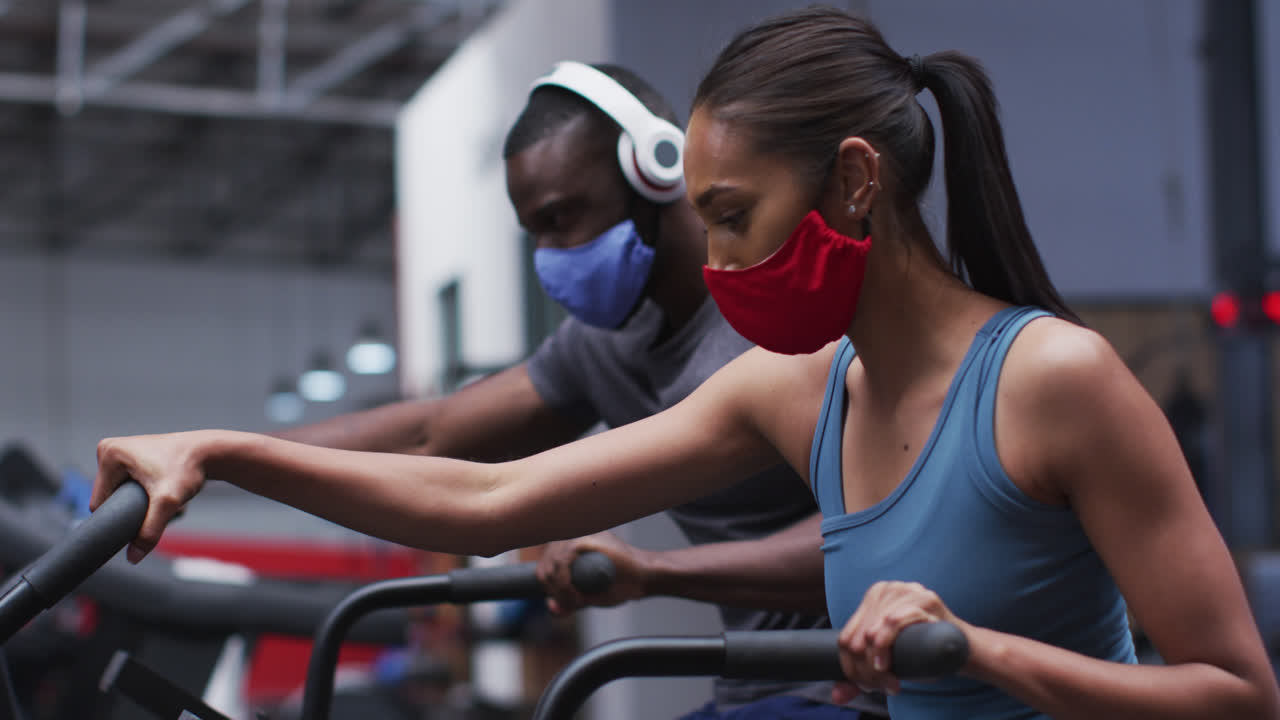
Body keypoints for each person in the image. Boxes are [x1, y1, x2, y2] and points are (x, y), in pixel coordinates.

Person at [92, 7, 1280, 719]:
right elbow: (484, 494)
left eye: (732, 215)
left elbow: (1236, 695)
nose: (712, 264)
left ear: (854, 185)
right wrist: (225, 453)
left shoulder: (1051, 382)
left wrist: (980, 653)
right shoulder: (795, 388)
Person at [268, 62, 862, 718]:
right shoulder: (602, 346)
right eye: (536, 234)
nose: (551, 257)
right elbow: (432, 434)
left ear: (656, 168)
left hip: (864, 686)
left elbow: (873, 529)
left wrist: (649, 572)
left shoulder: (784, 319)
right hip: (753, 688)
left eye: (563, 218)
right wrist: (222, 458)